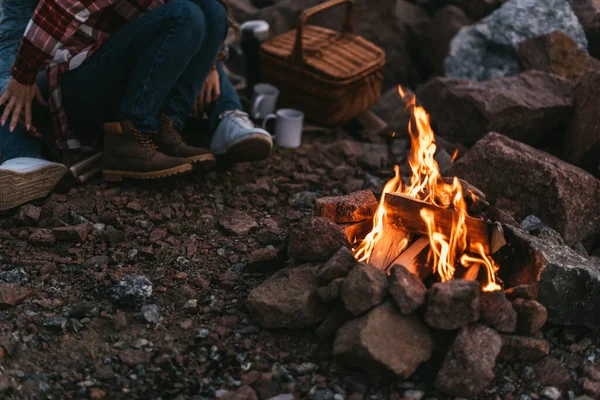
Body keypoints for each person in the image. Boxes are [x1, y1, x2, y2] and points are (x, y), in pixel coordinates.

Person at [0, 0, 272, 195]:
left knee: (210, 10)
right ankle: (129, 137)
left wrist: (212, 60)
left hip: (123, 74)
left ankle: (165, 128)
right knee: (184, 14)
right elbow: (62, 7)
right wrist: (23, 75)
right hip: (78, 87)